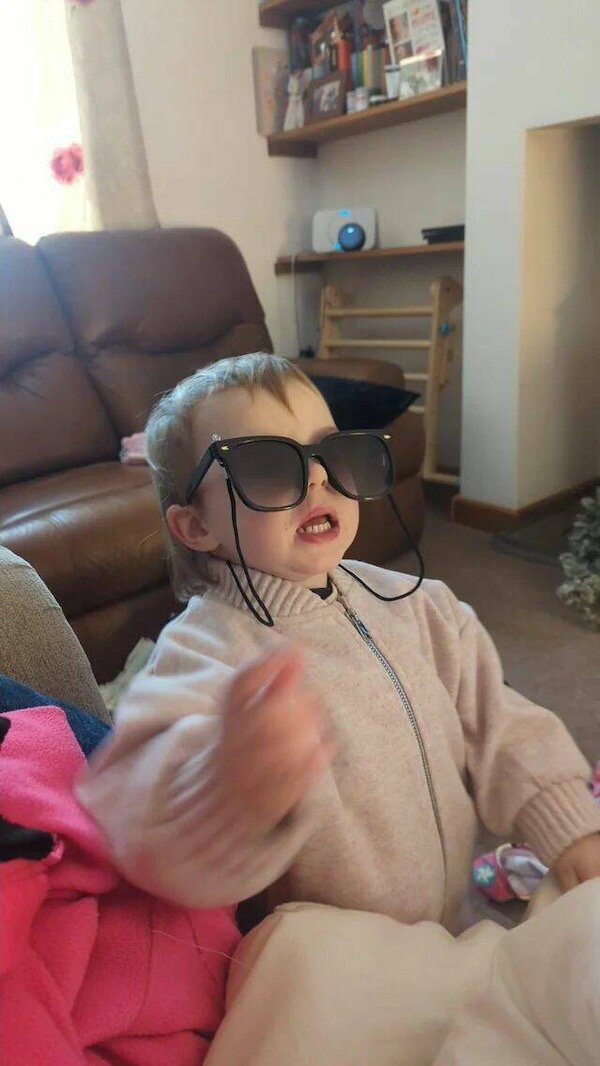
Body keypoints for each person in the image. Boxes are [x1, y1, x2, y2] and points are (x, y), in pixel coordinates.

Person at [77, 354, 600, 932]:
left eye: (331, 453)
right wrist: (225, 788)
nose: (318, 479)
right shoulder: (201, 655)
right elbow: (137, 817)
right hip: (336, 960)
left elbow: (500, 719)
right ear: (197, 526)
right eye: (268, 466)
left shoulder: (424, 607)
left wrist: (565, 819)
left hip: (453, 926)